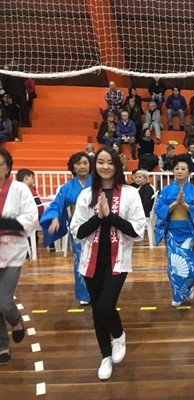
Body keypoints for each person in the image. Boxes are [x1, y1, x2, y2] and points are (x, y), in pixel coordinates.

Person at [70, 146, 145, 380]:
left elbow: (136, 230)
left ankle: (119, 335)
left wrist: (110, 217)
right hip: (90, 260)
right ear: (95, 166)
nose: (105, 166)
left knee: (105, 306)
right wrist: (98, 217)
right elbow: (78, 232)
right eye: (100, 162)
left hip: (118, 260)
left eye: (110, 162)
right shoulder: (86, 195)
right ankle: (105, 355)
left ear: (117, 165)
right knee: (97, 310)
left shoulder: (130, 194)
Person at [0, 148, 39, 366]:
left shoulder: (20, 189)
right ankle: (2, 344)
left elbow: (31, 218)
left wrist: (6, 222)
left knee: (4, 301)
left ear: (8, 168)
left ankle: (15, 320)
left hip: (12, 249)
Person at [40, 152, 93, 305]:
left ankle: (99, 292)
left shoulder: (98, 183)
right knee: (80, 259)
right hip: (77, 228)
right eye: (78, 163)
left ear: (90, 165)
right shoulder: (66, 187)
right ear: (72, 167)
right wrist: (55, 218)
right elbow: (57, 205)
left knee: (98, 258)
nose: (82, 166)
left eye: (85, 163)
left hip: (98, 225)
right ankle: (84, 294)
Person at [155, 154, 194, 307]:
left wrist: (186, 205)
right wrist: (175, 204)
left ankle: (188, 288)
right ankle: (177, 295)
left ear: (189, 173)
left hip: (188, 232)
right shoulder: (167, 190)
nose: (179, 171)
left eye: (183, 169)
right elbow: (158, 209)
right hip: (173, 234)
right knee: (175, 266)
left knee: (191, 268)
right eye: (177, 168)